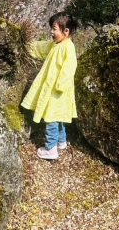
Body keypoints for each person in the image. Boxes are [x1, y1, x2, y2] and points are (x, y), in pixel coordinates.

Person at [21, 11, 78, 160]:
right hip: (56, 90)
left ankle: (51, 148)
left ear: (66, 31)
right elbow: (42, 47)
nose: (52, 32)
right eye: (52, 29)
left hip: (57, 90)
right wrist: (28, 46)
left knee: (51, 118)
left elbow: (69, 68)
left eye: (54, 29)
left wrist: (60, 84)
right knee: (59, 116)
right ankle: (61, 141)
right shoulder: (57, 44)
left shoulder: (68, 47)